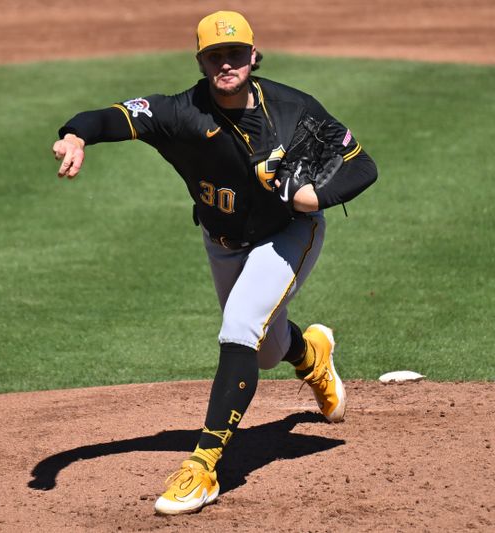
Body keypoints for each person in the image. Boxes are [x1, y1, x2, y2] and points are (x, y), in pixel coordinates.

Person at [52, 10, 377, 515]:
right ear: (201, 61)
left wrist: (317, 198)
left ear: (253, 55)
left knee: (240, 328)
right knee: (266, 351)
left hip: (290, 233)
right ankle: (311, 354)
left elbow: (362, 164)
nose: (226, 64)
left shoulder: (294, 110)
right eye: (214, 56)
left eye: (235, 53)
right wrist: (75, 135)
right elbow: (112, 117)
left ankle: (202, 468)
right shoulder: (180, 114)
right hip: (224, 241)